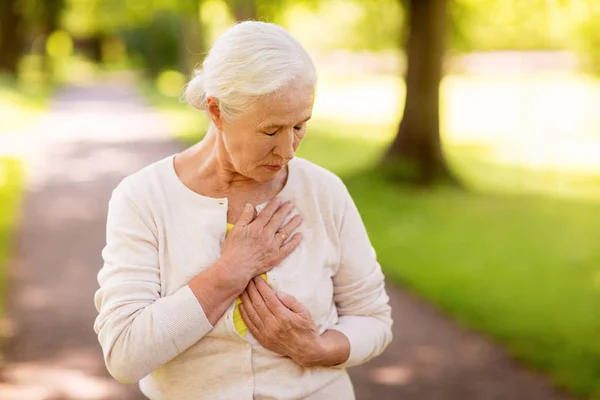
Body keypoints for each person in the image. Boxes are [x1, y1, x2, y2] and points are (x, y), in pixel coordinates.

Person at [94, 21, 393, 400]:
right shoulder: (143, 198)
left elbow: (373, 319)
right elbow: (124, 354)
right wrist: (228, 273)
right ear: (217, 112)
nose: (288, 151)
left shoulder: (324, 192)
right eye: (271, 131)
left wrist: (317, 349)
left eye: (300, 126)